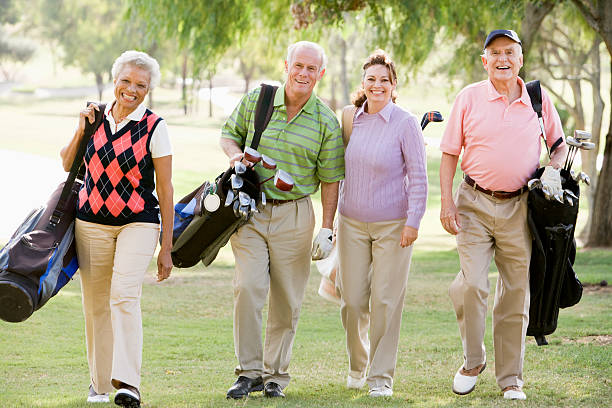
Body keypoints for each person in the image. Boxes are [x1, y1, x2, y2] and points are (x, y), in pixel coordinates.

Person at [439, 30, 568, 401]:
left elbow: (557, 149)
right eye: (494, 53)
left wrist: (554, 169)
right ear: (484, 60)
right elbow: (449, 153)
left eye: (509, 52)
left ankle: (511, 378)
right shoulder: (469, 97)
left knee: (515, 293)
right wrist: (446, 203)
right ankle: (472, 360)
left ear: (520, 58)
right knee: (473, 285)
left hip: (520, 207)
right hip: (473, 203)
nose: (502, 59)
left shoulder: (539, 99)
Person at [219, 40, 345, 399]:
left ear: (321, 74)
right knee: (248, 288)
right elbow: (229, 136)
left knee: (287, 298)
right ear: (285, 65)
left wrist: (326, 228)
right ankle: (248, 373)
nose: (303, 73)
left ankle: (275, 376)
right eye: (298, 66)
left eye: (311, 69)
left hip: (296, 213)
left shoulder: (325, 120)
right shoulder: (259, 100)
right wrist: (234, 157)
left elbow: (331, 178)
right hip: (250, 210)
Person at [60, 50, 174, 407]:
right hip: (90, 222)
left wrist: (166, 247)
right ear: (114, 81)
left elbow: (166, 190)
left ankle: (128, 384)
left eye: (140, 85)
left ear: (149, 90)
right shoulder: (93, 118)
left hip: (138, 222)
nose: (131, 89)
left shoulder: (155, 127)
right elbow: (67, 164)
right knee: (95, 306)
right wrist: (81, 127)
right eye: (125, 81)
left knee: (124, 295)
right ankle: (99, 385)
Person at [336, 50, 428, 398]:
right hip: (352, 224)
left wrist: (413, 222)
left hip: (394, 225)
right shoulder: (350, 119)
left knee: (386, 301)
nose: (377, 85)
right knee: (353, 302)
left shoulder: (405, 123)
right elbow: (336, 171)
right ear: (363, 83)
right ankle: (358, 366)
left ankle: (380, 377)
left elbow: (419, 177)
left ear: (393, 86)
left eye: (384, 80)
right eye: (371, 79)